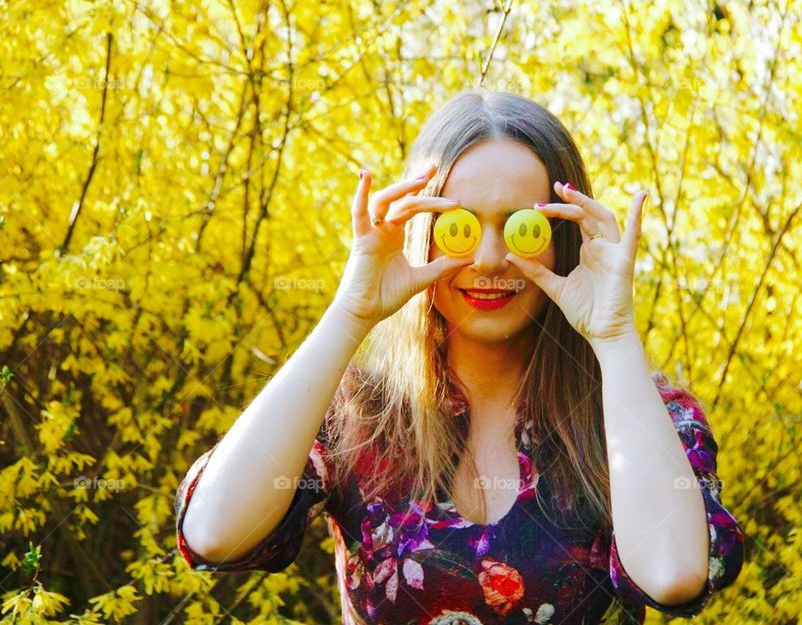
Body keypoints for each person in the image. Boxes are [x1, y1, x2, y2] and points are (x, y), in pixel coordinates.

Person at [175, 89, 745, 624]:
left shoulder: (644, 411)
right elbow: (214, 532)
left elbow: (674, 577)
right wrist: (350, 313)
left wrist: (615, 336)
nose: (491, 258)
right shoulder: (358, 417)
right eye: (459, 228)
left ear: (566, 237)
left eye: (524, 228)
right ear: (421, 231)